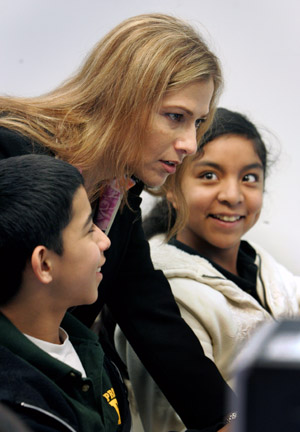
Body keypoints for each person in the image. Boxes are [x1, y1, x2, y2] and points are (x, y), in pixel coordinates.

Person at [0, 14, 234, 431]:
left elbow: (151, 316)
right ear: (123, 97)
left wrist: (231, 417)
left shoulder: (118, 194)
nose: (190, 144)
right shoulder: (10, 153)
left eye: (198, 122)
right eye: (175, 116)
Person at [115, 107, 300, 432]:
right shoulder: (164, 300)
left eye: (249, 178)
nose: (232, 195)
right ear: (170, 187)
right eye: (209, 175)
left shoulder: (270, 272)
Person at [0, 154, 135, 431]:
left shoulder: (84, 345)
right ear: (45, 264)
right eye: (89, 229)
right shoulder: (17, 408)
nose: (105, 240)